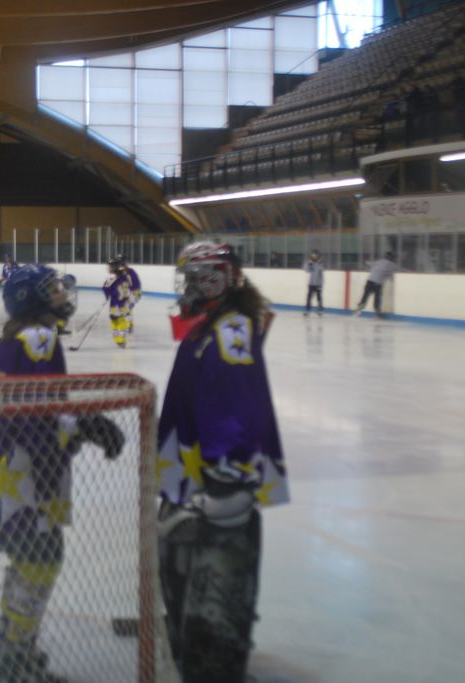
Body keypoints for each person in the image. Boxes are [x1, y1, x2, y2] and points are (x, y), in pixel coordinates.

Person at [0, 264, 124, 683]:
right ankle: (14, 659)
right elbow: (39, 419)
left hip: (2, 471)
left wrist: (80, 423)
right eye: (53, 289)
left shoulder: (12, 339)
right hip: (26, 474)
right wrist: (75, 438)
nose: (61, 293)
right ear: (32, 299)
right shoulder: (40, 339)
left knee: (27, 562)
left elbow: (29, 407)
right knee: (40, 561)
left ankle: (13, 650)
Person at [157, 241, 288, 683]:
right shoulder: (208, 326)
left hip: (214, 485)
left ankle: (213, 668)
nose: (187, 285)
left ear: (218, 277)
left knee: (218, 587)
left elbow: (235, 405)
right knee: (181, 580)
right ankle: (196, 661)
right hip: (191, 483)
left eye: (196, 276)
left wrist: (226, 478)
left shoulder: (230, 330)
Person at [354, 251, 398, 318]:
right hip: (378, 283)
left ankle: (359, 309)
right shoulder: (392, 265)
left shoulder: (379, 261)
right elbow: (399, 270)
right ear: (391, 257)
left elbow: (369, 263)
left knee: (365, 295)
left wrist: (365, 262)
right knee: (377, 298)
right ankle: (377, 312)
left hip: (370, 281)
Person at [102, 257, 133, 348]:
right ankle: (122, 340)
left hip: (115, 306)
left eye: (110, 266)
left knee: (114, 322)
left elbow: (105, 288)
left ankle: (118, 340)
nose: (109, 268)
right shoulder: (125, 277)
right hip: (124, 305)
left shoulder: (112, 277)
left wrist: (107, 295)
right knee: (122, 322)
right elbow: (129, 289)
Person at [119, 255, 142, 333]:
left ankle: (129, 325)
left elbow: (136, 284)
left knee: (126, 309)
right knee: (126, 309)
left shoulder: (130, 272)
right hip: (130, 294)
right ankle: (129, 325)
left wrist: (136, 293)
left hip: (133, 294)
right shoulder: (123, 272)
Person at [303, 250, 324, 316]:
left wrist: (321, 285)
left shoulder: (320, 264)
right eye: (313, 255)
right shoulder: (309, 263)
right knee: (309, 297)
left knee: (319, 298)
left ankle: (319, 311)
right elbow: (306, 270)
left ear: (317, 256)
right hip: (311, 283)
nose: (314, 257)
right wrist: (309, 264)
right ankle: (307, 310)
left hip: (318, 284)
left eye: (315, 255)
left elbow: (321, 274)